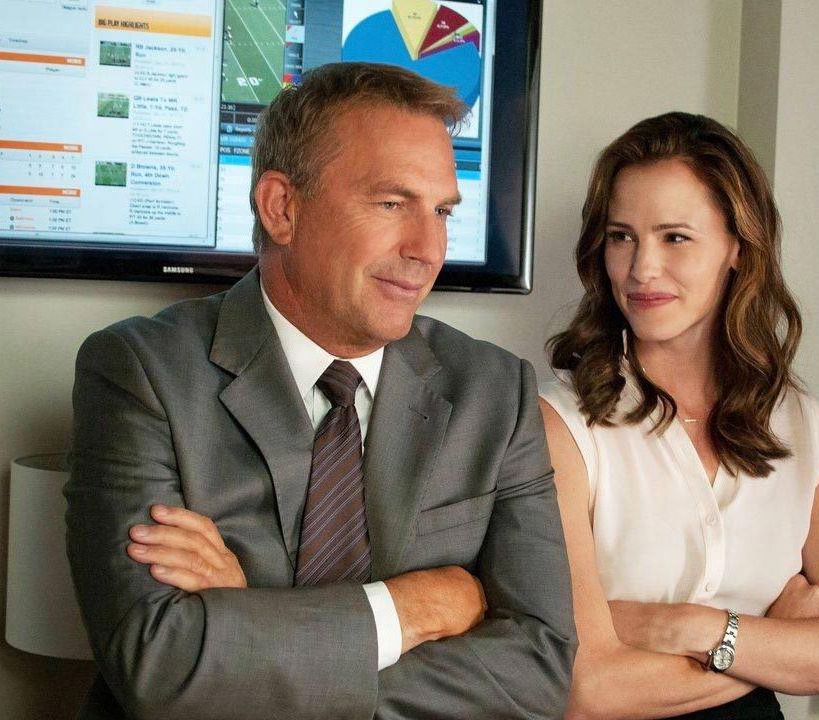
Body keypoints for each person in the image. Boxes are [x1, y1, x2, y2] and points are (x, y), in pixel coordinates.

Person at [65, 62, 575, 720]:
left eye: (442, 210)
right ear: (283, 207)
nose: (428, 248)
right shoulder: (139, 372)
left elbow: (541, 668)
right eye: (392, 203)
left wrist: (252, 624)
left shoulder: (496, 392)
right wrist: (411, 608)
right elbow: (159, 664)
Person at [540, 112, 819, 719]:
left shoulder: (807, 430)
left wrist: (693, 628)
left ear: (736, 247)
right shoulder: (561, 423)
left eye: (675, 237)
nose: (641, 268)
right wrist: (771, 642)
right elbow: (586, 691)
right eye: (622, 236)